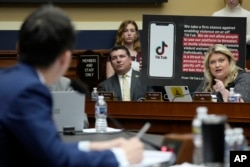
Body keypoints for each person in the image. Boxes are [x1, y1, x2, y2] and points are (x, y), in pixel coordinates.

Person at [0, 4, 143, 167]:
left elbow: (39, 146)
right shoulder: (29, 91)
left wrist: (90, 146)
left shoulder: (8, 80)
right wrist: (120, 157)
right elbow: (55, 159)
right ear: (65, 58)